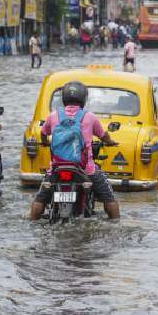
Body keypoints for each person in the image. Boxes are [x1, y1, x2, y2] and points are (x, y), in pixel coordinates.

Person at [28, 81, 120, 220]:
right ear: (83, 98)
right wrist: (110, 142)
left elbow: (43, 133)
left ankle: (32, 221)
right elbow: (103, 136)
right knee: (108, 196)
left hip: (57, 169)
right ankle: (115, 223)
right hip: (85, 169)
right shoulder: (90, 117)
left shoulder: (53, 116)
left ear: (64, 98)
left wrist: (45, 143)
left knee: (40, 198)